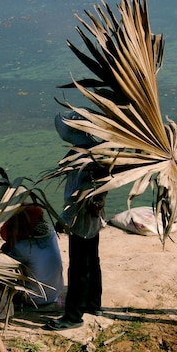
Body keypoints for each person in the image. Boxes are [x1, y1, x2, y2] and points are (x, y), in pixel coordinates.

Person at [45, 113, 108, 331]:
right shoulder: (100, 155)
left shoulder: (79, 157)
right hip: (94, 218)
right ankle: (93, 303)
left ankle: (73, 316)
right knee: (92, 260)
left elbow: (75, 194)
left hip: (79, 219)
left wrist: (63, 220)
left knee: (79, 266)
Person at [0, 203, 64, 306]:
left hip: (35, 299)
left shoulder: (22, 248)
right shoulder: (51, 235)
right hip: (55, 293)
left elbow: (3, 262)